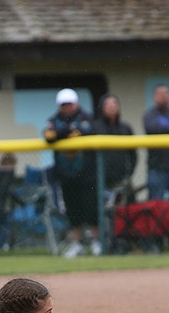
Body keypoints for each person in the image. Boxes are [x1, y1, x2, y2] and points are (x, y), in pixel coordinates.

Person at [44, 88, 100, 257]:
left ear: (76, 104)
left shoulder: (86, 118)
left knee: (91, 208)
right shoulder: (54, 120)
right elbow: (49, 136)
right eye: (64, 105)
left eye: (70, 104)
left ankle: (97, 242)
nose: (67, 107)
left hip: (87, 173)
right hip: (66, 175)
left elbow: (88, 131)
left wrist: (64, 133)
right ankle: (77, 243)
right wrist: (68, 132)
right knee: (72, 210)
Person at [92, 93, 138, 204]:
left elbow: (133, 154)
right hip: (101, 181)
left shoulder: (125, 128)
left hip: (121, 180)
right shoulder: (95, 127)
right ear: (102, 107)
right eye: (108, 104)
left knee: (126, 210)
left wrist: (128, 174)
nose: (112, 106)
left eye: (115, 103)